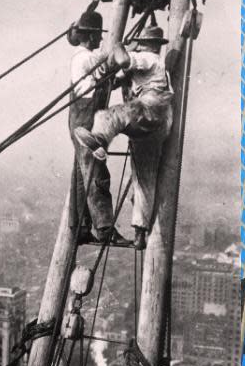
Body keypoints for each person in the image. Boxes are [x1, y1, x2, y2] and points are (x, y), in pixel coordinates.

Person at [74, 24, 184, 250]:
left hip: (149, 109)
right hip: (158, 124)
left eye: (141, 43)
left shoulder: (148, 58)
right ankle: (140, 233)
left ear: (147, 44)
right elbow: (117, 79)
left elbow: (124, 60)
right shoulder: (155, 66)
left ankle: (100, 140)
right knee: (144, 178)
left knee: (110, 115)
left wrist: (119, 45)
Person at [67, 9, 126, 245]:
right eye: (98, 36)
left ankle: (80, 227)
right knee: (96, 172)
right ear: (90, 37)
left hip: (78, 119)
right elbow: (111, 64)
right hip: (88, 122)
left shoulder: (79, 59)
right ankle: (104, 228)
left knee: (81, 175)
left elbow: (106, 81)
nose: (100, 39)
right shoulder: (88, 58)